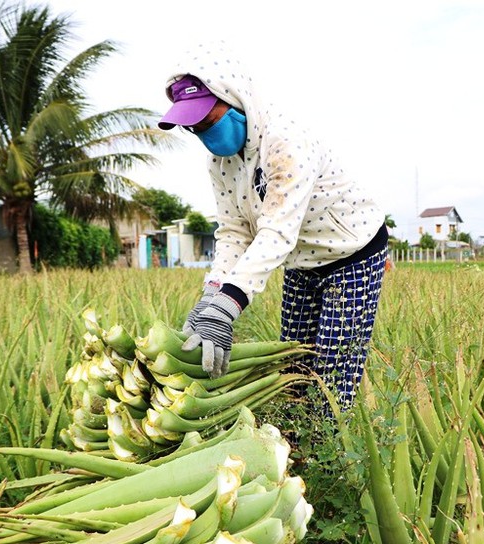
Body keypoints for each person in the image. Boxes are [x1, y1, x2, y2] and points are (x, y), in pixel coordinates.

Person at [157, 44, 389, 414]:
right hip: (301, 260)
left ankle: (330, 456)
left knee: (332, 371)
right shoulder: (220, 163)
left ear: (234, 98)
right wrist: (212, 294)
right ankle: (294, 447)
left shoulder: (285, 141)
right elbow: (234, 232)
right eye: (192, 127)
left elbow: (277, 231)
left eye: (207, 119)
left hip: (351, 253)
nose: (201, 131)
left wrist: (229, 305)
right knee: (292, 365)